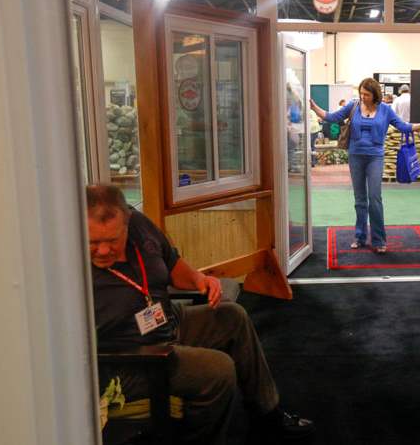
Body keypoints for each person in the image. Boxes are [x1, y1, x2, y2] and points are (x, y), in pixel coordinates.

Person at [87, 185, 314, 444]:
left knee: (233, 317)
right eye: (94, 242)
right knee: (218, 370)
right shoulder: (71, 270)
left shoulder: (139, 224)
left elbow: (171, 264)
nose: (103, 251)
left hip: (165, 321)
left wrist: (199, 279)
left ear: (127, 221)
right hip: (135, 359)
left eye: (113, 240)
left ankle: (267, 419)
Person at [309, 78, 420, 253]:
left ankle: (379, 240)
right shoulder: (353, 105)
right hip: (355, 156)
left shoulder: (385, 110)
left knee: (375, 198)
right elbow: (332, 117)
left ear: (375, 95)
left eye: (366, 94)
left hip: (375, 157)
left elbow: (403, 126)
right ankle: (359, 236)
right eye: (361, 93)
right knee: (360, 199)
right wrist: (314, 107)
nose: (363, 97)